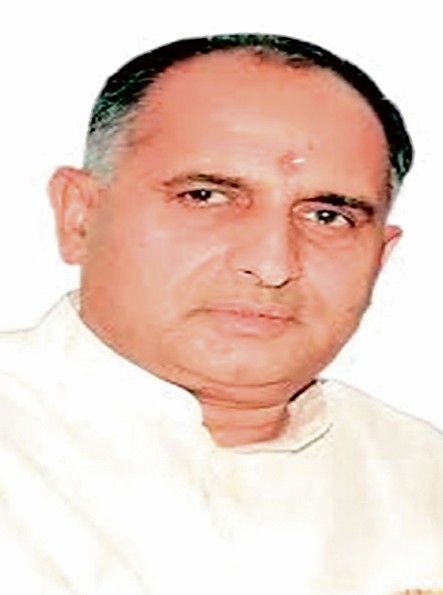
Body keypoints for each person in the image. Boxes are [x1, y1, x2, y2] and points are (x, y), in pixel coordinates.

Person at [0, 33, 442, 595]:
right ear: (79, 216)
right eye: (206, 196)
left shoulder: (424, 483)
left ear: (380, 256)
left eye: (328, 216)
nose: (272, 263)